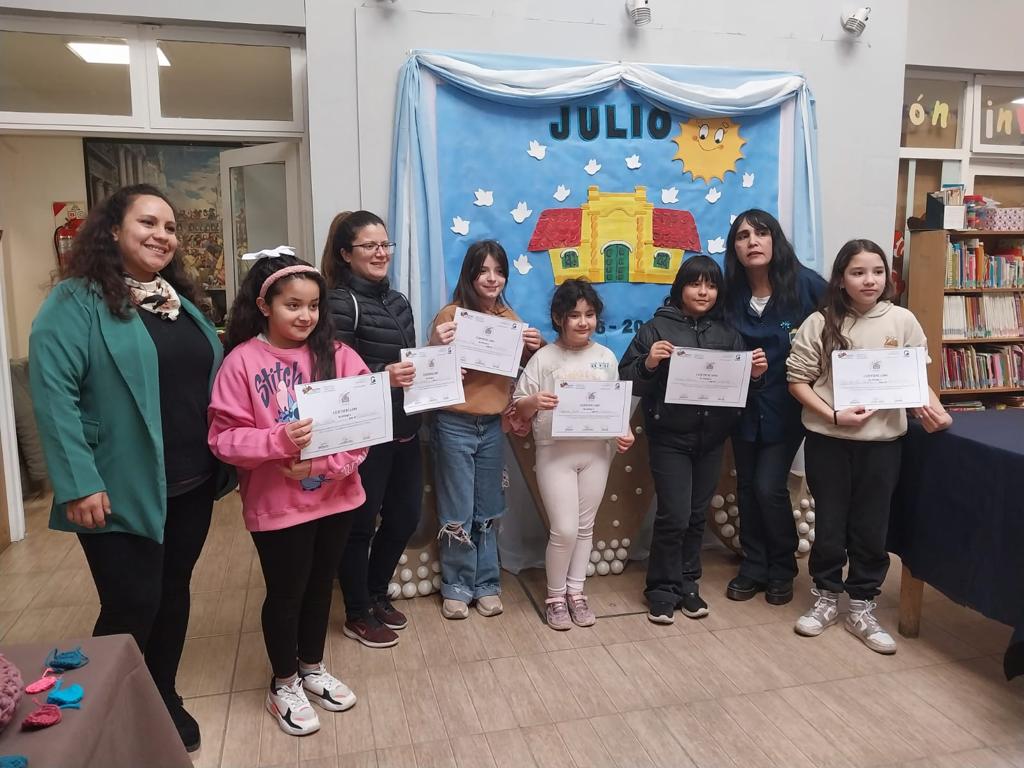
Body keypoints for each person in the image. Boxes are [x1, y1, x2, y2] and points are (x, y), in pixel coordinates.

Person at [29, 183, 232, 752]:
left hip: (190, 482)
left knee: (173, 592)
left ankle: (161, 693)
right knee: (132, 602)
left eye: (170, 227)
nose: (161, 235)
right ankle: (98, 714)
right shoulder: (75, 301)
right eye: (148, 223)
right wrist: (78, 481)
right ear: (112, 230)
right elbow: (54, 393)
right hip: (116, 488)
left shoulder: (176, 300)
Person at [208, 252, 367, 736]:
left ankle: (312, 667)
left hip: (337, 498)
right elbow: (222, 439)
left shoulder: (338, 355)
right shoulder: (241, 362)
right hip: (277, 508)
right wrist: (278, 442)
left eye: (313, 305)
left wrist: (325, 464)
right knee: (287, 593)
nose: (305, 316)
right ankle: (283, 683)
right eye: (292, 305)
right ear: (264, 305)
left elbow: (363, 426)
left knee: (322, 586)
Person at [786, 238, 950, 654]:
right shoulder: (820, 323)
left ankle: (861, 603)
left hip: (883, 444)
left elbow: (917, 379)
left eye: (877, 271)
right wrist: (833, 415)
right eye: (858, 272)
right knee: (831, 525)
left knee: (872, 526)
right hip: (829, 441)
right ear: (841, 279)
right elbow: (797, 382)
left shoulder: (903, 321)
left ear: (888, 277)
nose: (869, 280)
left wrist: (938, 410)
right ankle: (825, 597)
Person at [620, 255, 767, 624]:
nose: (703, 292)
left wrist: (756, 375)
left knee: (697, 515)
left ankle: (688, 583)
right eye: (695, 283)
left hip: (712, 439)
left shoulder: (728, 334)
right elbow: (628, 380)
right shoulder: (655, 329)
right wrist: (649, 362)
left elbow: (739, 392)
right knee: (675, 514)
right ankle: (660, 589)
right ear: (680, 288)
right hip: (669, 437)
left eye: (711, 285)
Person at [428, 239, 543, 619]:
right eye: (483, 271)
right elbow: (429, 373)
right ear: (470, 274)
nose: (492, 278)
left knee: (489, 507)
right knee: (457, 507)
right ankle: (457, 586)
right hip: (454, 422)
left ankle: (488, 583)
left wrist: (535, 347)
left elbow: (524, 372)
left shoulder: (511, 320)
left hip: (493, 425)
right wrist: (437, 349)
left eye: (498, 271)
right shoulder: (450, 316)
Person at [512, 279, 634, 631]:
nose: (583, 322)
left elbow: (614, 408)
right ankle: (554, 596)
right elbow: (519, 408)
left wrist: (622, 433)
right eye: (574, 315)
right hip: (554, 453)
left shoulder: (605, 357)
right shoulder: (544, 357)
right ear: (558, 318)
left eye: (590, 314)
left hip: (596, 452)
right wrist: (535, 402)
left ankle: (576, 593)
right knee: (563, 529)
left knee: (584, 528)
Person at [323, 210, 420, 650]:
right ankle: (357, 612)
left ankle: (377, 592)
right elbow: (331, 376)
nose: (381, 252)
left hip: (406, 427)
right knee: (359, 525)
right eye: (370, 245)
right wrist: (385, 375)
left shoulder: (399, 300)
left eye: (385, 244)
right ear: (346, 254)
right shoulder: (340, 303)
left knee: (405, 517)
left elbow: (412, 364)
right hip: (366, 435)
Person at [723, 209, 827, 606]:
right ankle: (753, 566)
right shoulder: (729, 293)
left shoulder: (806, 286)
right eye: (742, 236)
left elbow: (841, 328)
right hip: (741, 408)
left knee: (768, 487)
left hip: (789, 407)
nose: (752, 241)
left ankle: (782, 567)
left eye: (761, 233)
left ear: (774, 240)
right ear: (734, 248)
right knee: (747, 487)